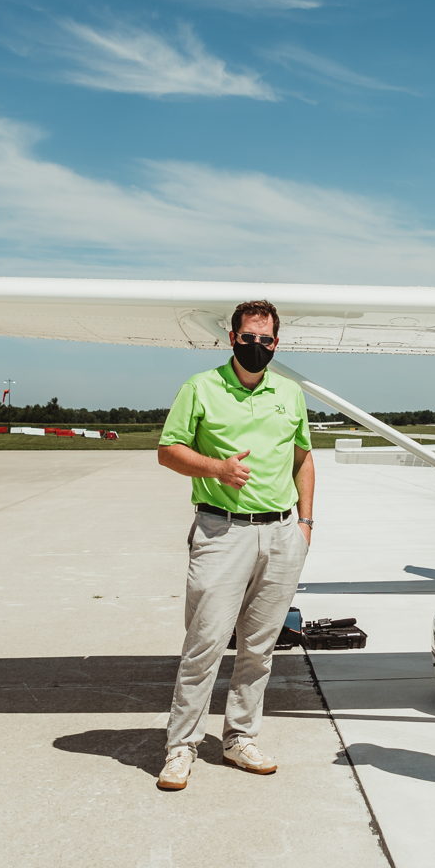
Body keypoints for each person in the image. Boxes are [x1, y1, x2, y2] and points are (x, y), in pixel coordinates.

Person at [154, 299, 315, 791]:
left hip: (282, 533)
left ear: (276, 343)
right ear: (232, 338)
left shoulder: (289, 392)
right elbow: (168, 451)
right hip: (222, 531)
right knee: (203, 644)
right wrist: (218, 469)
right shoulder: (200, 387)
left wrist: (305, 524)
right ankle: (181, 747)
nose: (256, 347)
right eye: (248, 338)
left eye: (265, 340)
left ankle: (239, 738)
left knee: (259, 648)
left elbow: (303, 457)